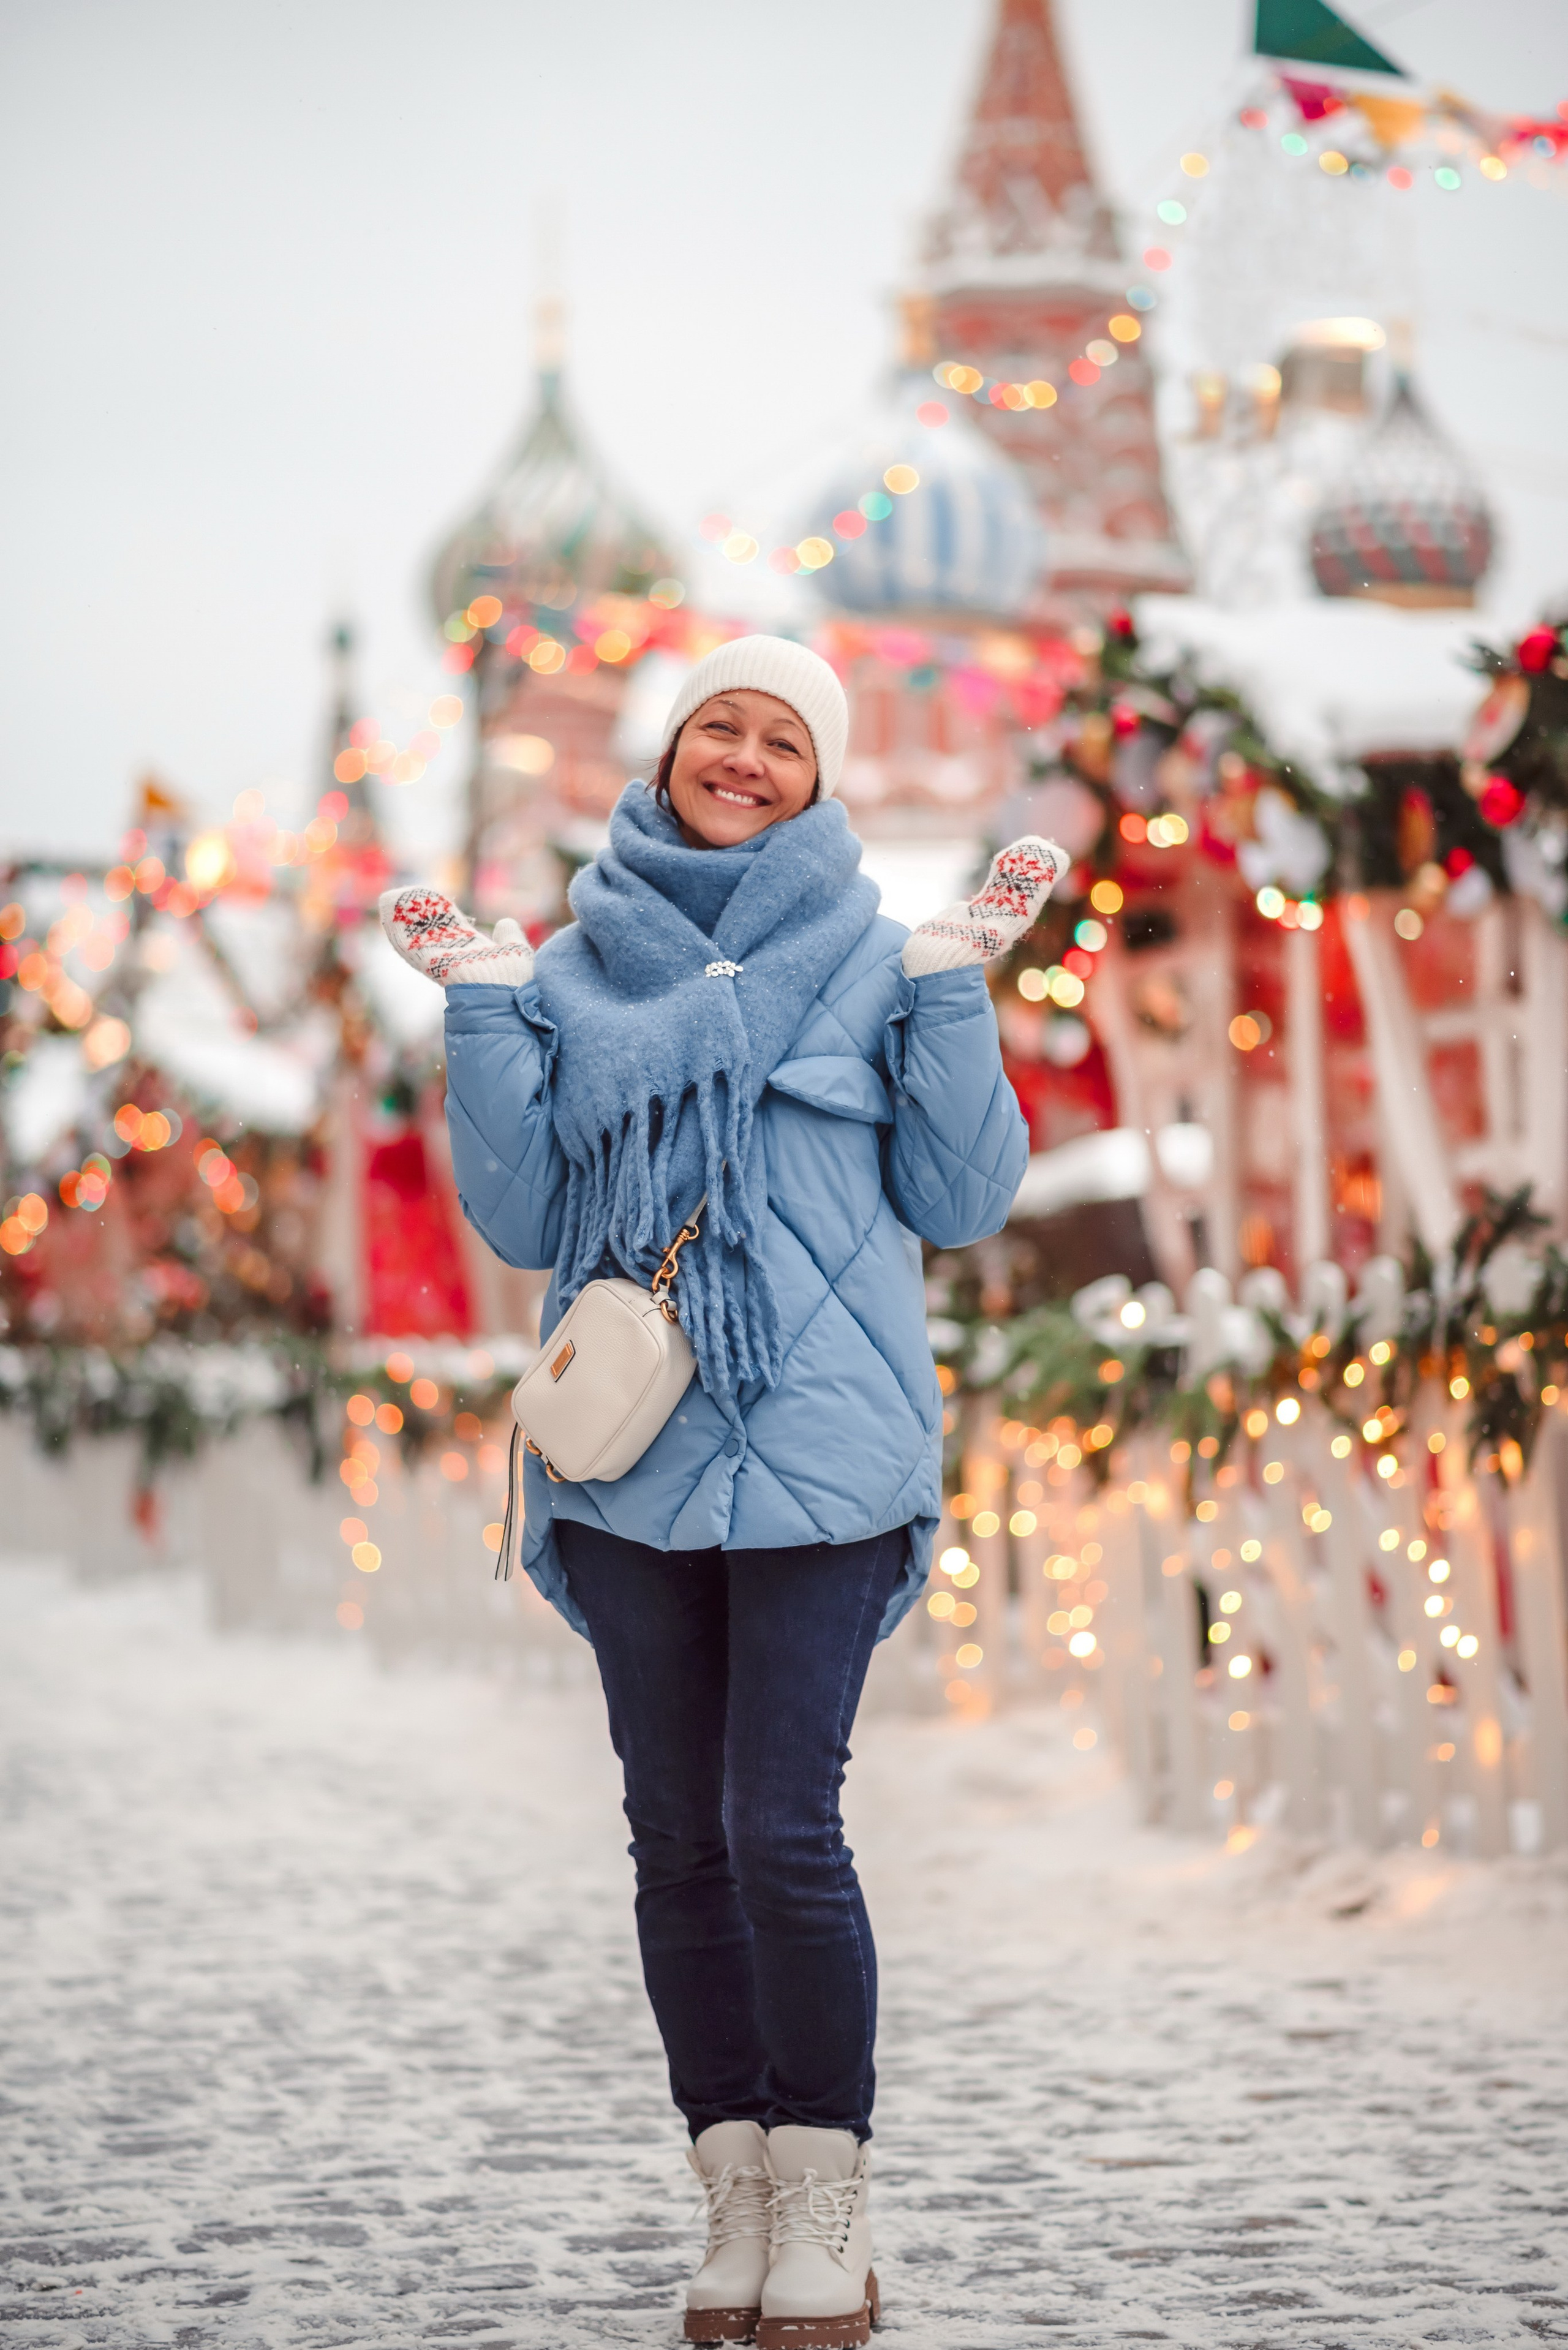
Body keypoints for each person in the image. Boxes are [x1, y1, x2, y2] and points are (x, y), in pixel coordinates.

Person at [383, 635, 1060, 2349]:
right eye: (716, 728)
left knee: (783, 1829)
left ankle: (830, 2193)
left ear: (822, 778)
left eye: (780, 739)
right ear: (667, 752)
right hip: (635, 1471)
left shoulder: (880, 961)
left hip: (827, 1459)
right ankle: (738, 2192)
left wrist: (960, 984)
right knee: (677, 1843)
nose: (743, 758)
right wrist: (479, 1004)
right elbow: (529, 1220)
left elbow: (965, 1199)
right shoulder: (567, 971)